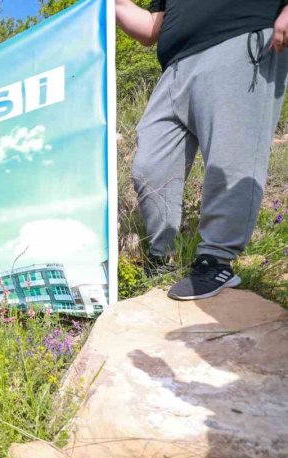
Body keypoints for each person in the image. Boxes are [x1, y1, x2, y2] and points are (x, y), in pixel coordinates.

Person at [117, 0, 288, 300]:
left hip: (240, 39)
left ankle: (216, 260)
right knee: (150, 166)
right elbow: (150, 28)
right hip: (175, 67)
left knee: (231, 156)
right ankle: (163, 257)